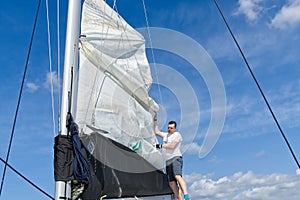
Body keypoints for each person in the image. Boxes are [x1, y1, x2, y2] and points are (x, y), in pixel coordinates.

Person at [154, 118, 191, 200]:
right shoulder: (165, 135)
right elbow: (156, 132)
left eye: (171, 128)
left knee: (177, 176)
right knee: (171, 183)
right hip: (168, 161)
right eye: (168, 128)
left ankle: (186, 196)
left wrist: (159, 146)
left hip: (175, 158)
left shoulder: (177, 135)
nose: (169, 129)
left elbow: (172, 146)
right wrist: (155, 120)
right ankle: (180, 199)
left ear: (174, 128)